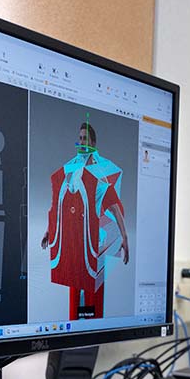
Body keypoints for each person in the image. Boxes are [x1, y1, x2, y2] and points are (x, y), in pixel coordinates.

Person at [41, 120, 130, 320]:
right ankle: (74, 331)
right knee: (75, 304)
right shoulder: (71, 173)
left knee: (93, 305)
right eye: (80, 138)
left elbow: (114, 207)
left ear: (93, 144)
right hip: (74, 245)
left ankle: (94, 331)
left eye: (86, 139)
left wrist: (124, 237)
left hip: (95, 244)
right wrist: (50, 230)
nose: (82, 142)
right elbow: (61, 206)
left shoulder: (100, 174)